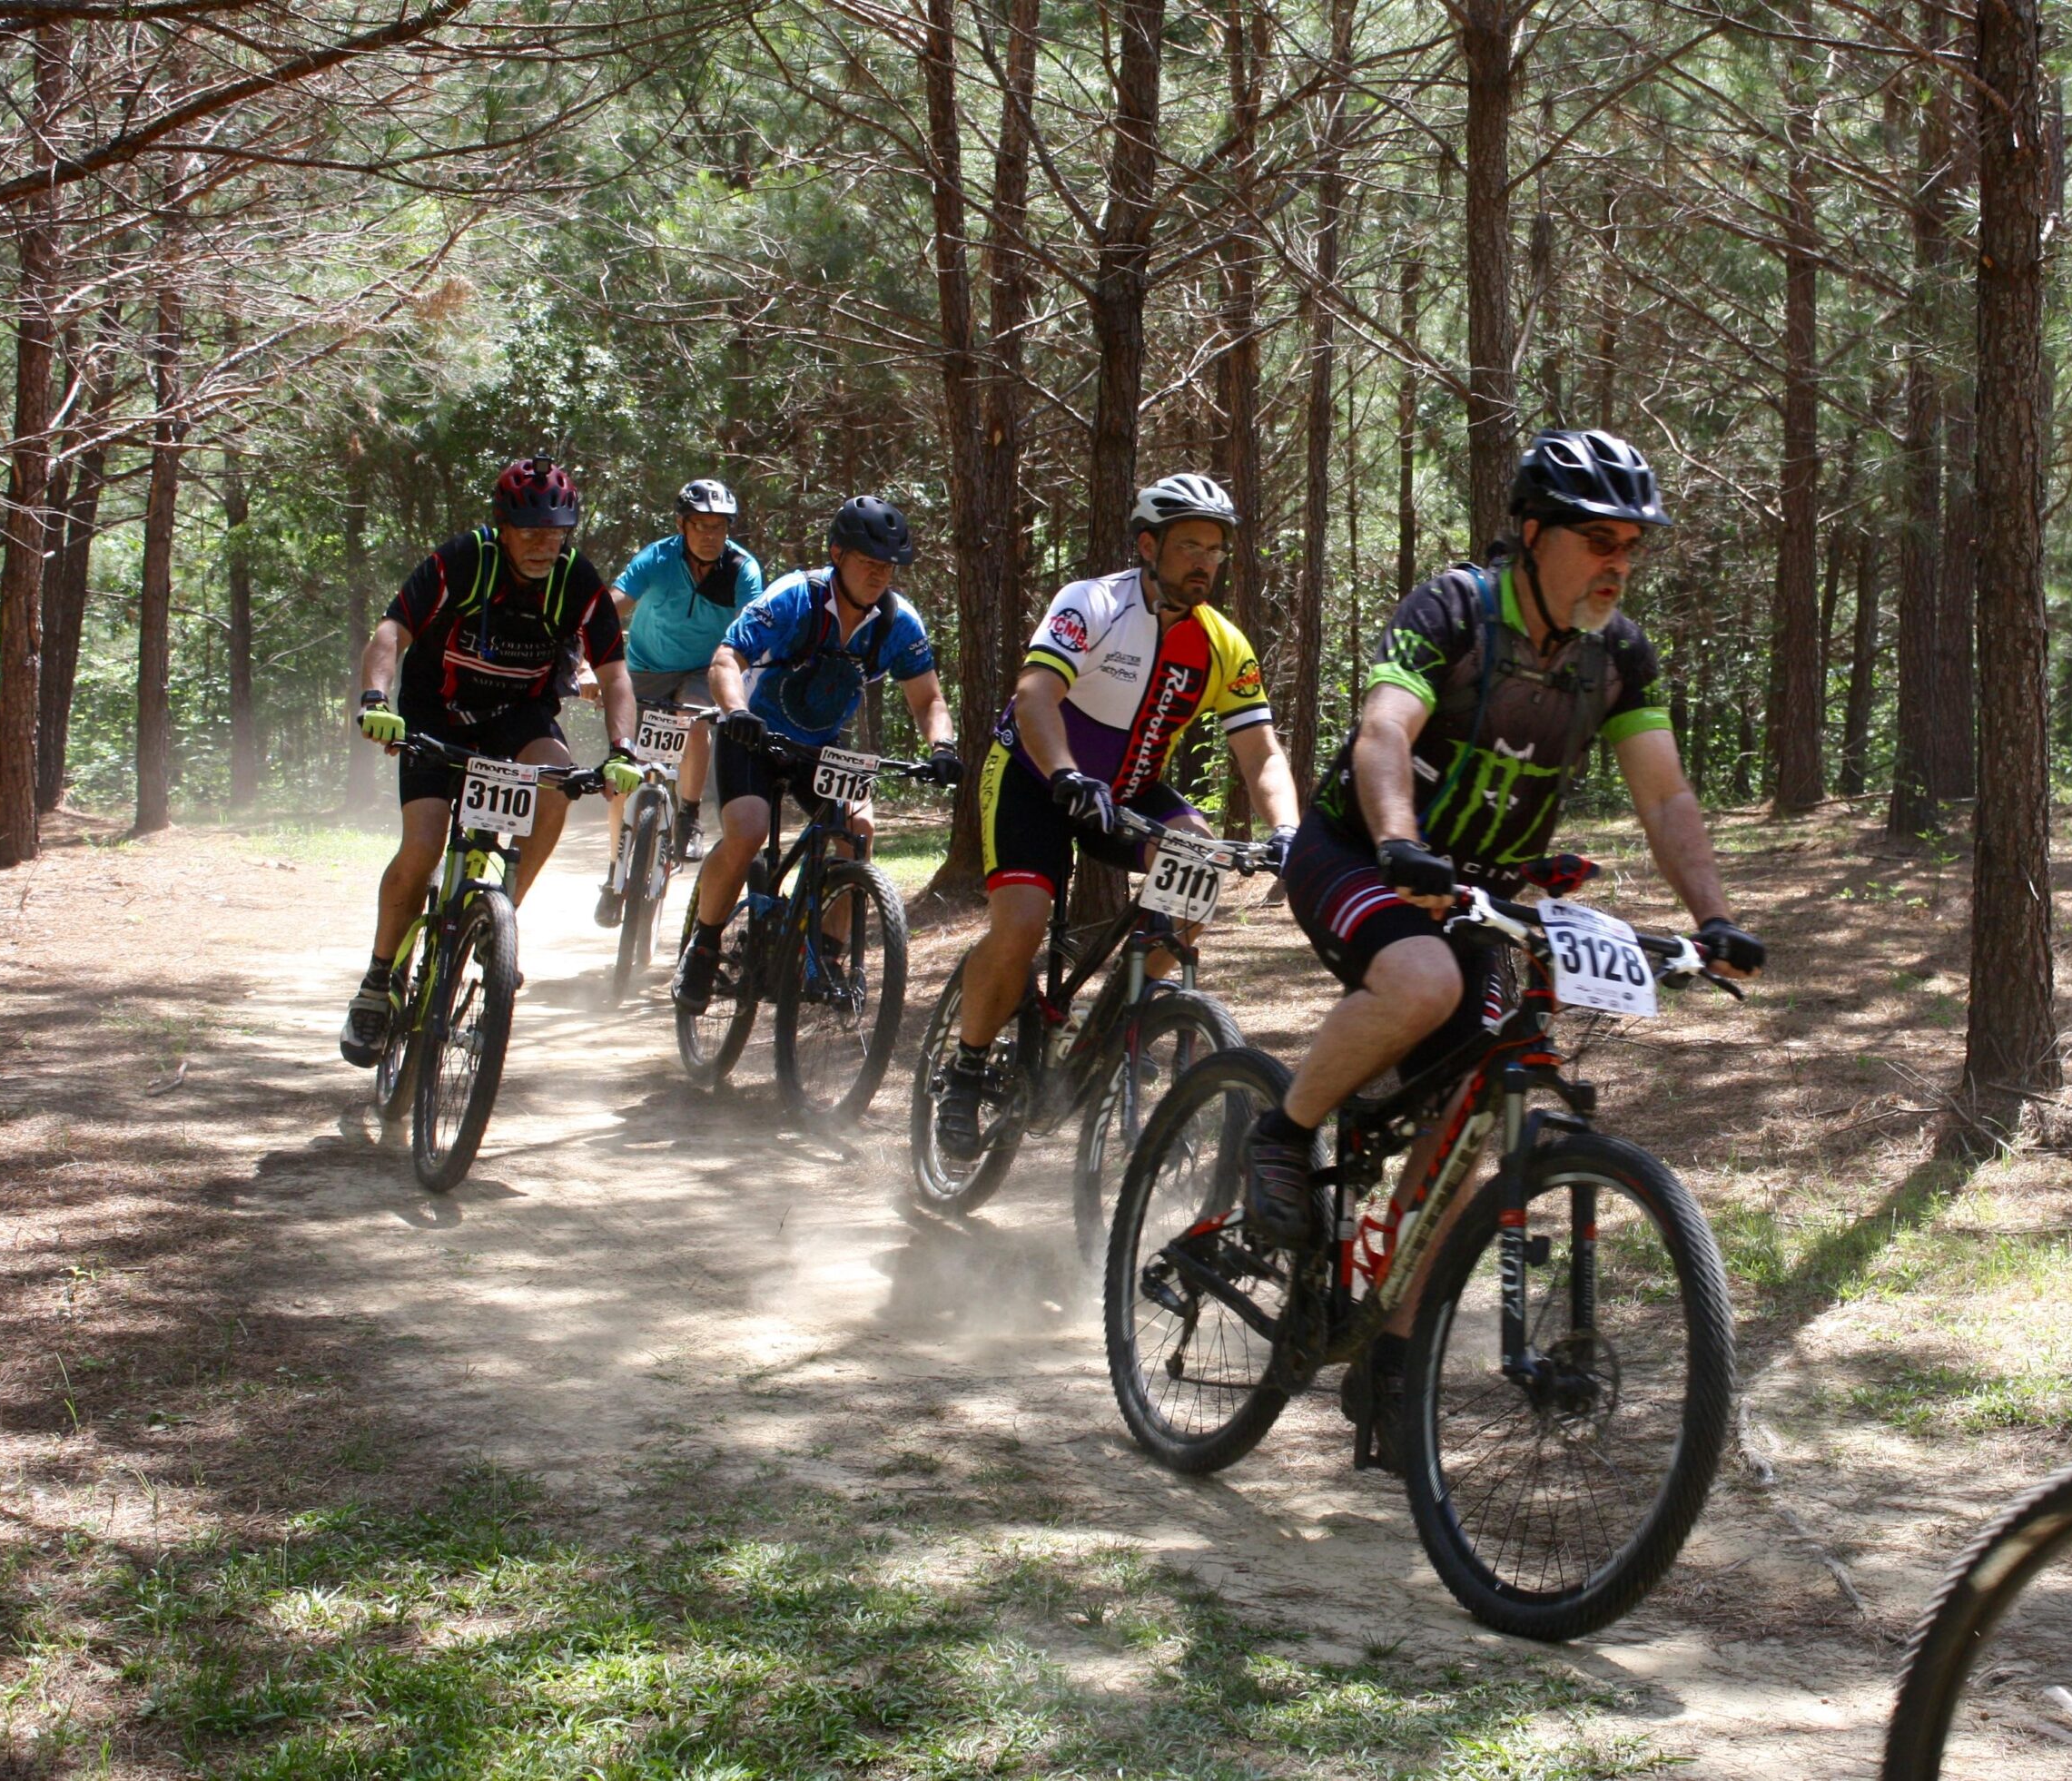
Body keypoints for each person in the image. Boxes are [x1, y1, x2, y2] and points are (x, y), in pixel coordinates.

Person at [1257, 429, 1765, 1455]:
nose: (1619, 559)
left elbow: (1662, 792)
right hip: (1360, 853)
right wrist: (1399, 843)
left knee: (1468, 1124)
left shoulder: (1618, 656)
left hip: (1484, 887)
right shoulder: (1452, 607)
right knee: (1418, 981)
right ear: (1531, 536)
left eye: (1635, 542)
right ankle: (1279, 1130)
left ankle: (1391, 1367)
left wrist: (1712, 916)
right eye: (1597, 538)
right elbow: (1384, 734)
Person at [933, 472, 1301, 1161]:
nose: (1205, 563)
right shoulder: (1092, 603)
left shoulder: (1223, 643)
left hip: (1126, 790)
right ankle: (966, 1069)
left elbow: (1260, 753)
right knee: (1020, 928)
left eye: (1216, 551)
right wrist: (1067, 773)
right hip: (1036, 779)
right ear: (1148, 545)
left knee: (1198, 866)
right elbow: (1037, 694)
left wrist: (1287, 829)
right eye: (1190, 545)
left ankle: (1133, 1012)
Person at [339, 456, 642, 1065]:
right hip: (436, 711)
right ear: (502, 527)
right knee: (422, 848)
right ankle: (377, 982)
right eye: (529, 532)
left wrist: (621, 751)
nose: (541, 545)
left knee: (556, 783)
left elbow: (614, 676)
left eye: (554, 534)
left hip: (516, 714)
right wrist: (376, 698)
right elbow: (391, 631)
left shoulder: (575, 582)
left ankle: (496, 923)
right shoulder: (463, 560)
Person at [673, 495, 962, 1012]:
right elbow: (725, 659)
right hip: (755, 733)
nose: (879, 575)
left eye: (888, 567)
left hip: (823, 744)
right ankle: (704, 945)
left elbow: (928, 698)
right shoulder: (793, 597)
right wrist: (736, 712)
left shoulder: (900, 622)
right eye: (868, 563)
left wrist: (942, 745)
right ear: (836, 554)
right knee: (748, 830)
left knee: (859, 830)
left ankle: (824, 954)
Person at [590, 477, 765, 926]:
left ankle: (687, 816)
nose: (711, 535)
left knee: (694, 719)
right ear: (682, 525)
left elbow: (754, 627)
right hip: (646, 667)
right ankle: (615, 872)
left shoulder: (741, 568)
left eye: (719, 527)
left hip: (704, 669)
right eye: (701, 525)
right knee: (623, 770)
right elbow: (611, 607)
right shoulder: (657, 557)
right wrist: (586, 661)